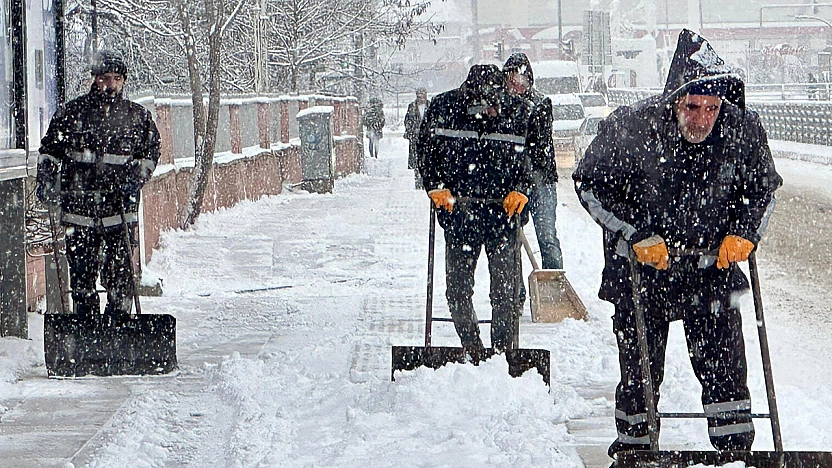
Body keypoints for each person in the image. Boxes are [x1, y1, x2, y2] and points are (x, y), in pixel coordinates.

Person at [572, 30, 782, 465]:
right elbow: (588, 184)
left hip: (713, 270)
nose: (702, 118)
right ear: (674, 100)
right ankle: (634, 449)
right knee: (641, 371)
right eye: (692, 106)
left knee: (725, 367)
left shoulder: (741, 130)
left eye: (712, 108)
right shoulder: (632, 128)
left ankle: (735, 452)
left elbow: (764, 188)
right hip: (641, 274)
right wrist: (635, 234)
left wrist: (745, 233)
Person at [417, 64, 532, 358]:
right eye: (486, 106)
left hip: (502, 217)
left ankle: (503, 352)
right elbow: (425, 152)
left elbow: (534, 160)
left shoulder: (519, 113)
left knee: (506, 295)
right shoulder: (442, 109)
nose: (492, 112)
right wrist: (436, 185)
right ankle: (473, 348)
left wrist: (522, 188)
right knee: (456, 291)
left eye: (495, 104)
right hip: (459, 216)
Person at [37, 50, 161, 318]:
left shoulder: (137, 117)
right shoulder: (71, 114)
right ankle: (85, 333)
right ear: (95, 79)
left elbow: (151, 153)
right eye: (105, 78)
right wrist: (47, 177)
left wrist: (137, 177)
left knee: (121, 279)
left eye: (117, 78)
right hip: (79, 212)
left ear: (124, 81)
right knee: (82, 281)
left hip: (119, 212)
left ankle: (118, 331)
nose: (111, 84)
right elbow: (49, 150)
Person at [502, 53, 563, 270]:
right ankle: (514, 291)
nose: (515, 86)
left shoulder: (539, 105)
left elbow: (538, 148)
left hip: (541, 180)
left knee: (546, 236)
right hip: (515, 182)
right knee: (512, 237)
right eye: (511, 80)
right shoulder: (503, 106)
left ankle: (554, 285)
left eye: (520, 80)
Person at [404, 87, 429, 189]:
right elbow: (407, 121)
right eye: (420, 94)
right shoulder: (412, 107)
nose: (422, 97)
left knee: (427, 160)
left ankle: (426, 182)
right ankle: (418, 181)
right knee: (417, 160)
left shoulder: (430, 105)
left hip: (428, 138)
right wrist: (412, 131)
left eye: (423, 94)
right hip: (415, 138)